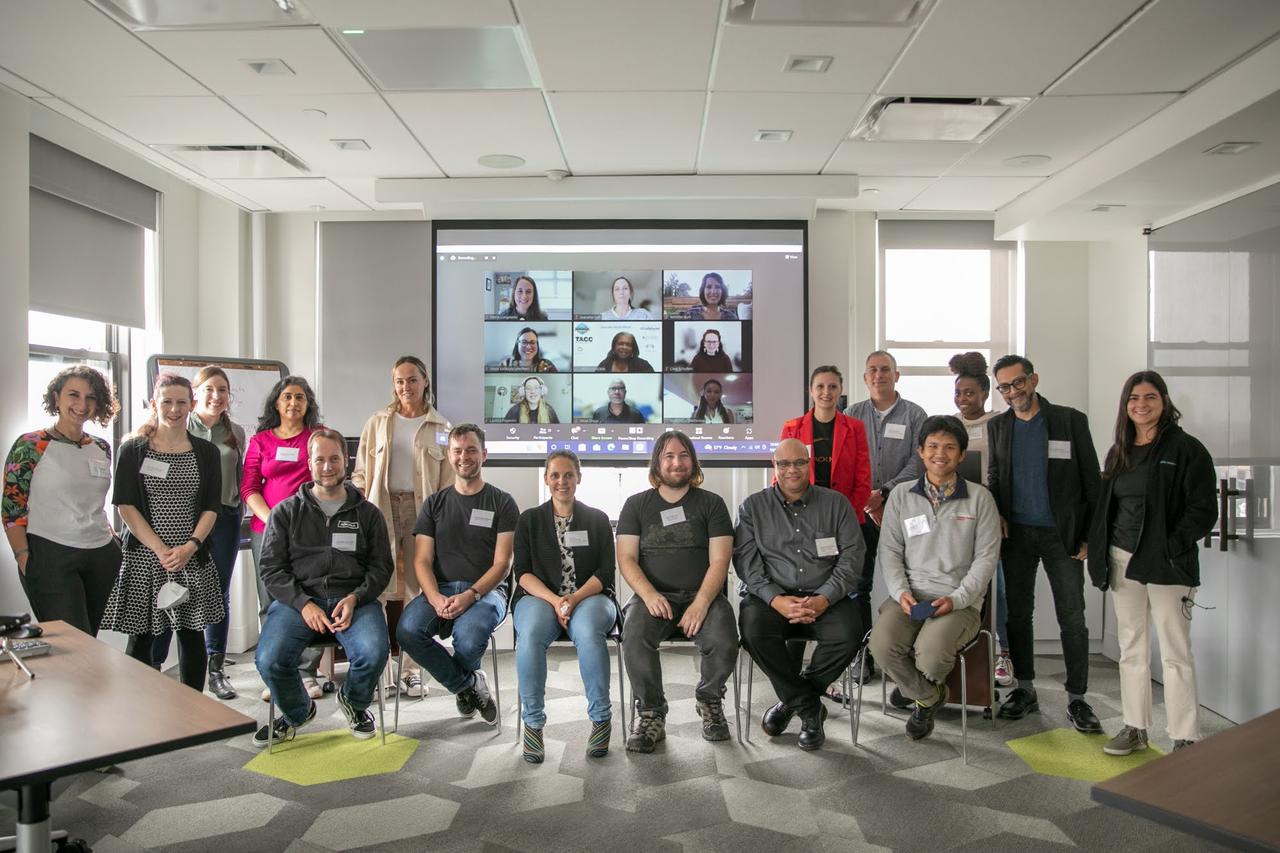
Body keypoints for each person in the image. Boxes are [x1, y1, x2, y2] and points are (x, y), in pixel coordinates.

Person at [1088, 371, 1216, 755]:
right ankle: (1135, 728)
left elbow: (1203, 510)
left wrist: (1170, 545)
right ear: (1125, 406)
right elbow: (1107, 509)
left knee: (1176, 651)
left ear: (1164, 402)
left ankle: (1185, 736)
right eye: (1133, 399)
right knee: (1132, 649)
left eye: (1149, 397)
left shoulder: (1187, 449)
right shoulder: (1120, 451)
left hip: (1166, 564)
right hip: (1122, 559)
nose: (1141, 405)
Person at [252, 428, 393, 747]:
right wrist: (303, 603)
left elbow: (382, 567)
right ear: (309, 462)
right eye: (320, 460)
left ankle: (355, 704)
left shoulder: (368, 514)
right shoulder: (285, 512)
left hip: (354, 601)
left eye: (334, 459)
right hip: (298, 603)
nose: (327, 466)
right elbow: (271, 570)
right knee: (269, 659)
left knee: (374, 653)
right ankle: (297, 711)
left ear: (346, 461)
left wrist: (357, 597)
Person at [987, 354, 1103, 732]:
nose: (1012, 392)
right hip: (1017, 534)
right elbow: (995, 474)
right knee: (1018, 614)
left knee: (1072, 616)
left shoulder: (1069, 420)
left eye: (1017, 383)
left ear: (1033, 380)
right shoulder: (998, 426)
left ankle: (1077, 698)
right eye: (1004, 387)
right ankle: (1024, 688)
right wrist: (999, 512)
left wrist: (1088, 536)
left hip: (1062, 535)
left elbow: (1092, 482)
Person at [869, 416, 1001, 740]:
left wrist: (956, 599)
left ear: (961, 454)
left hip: (959, 601)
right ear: (921, 451)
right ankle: (929, 697)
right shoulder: (900, 495)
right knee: (881, 646)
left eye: (949, 447)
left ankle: (914, 690)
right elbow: (889, 550)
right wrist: (900, 592)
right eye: (932, 446)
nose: (940, 454)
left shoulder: (981, 499)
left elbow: (986, 560)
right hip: (910, 596)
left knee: (930, 654)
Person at [735, 439, 865, 750]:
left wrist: (824, 598)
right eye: (784, 464)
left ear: (809, 464)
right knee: (752, 630)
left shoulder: (836, 504)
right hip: (773, 598)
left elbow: (852, 558)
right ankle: (809, 708)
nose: (792, 469)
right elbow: (747, 564)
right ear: (774, 467)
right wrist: (776, 599)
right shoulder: (753, 507)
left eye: (799, 463)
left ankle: (790, 702)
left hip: (825, 596)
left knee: (850, 632)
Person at [100, 374, 223, 691]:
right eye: (167, 401)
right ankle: (141, 711)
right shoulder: (133, 450)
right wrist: (160, 549)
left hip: (190, 557)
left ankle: (192, 710)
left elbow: (212, 507)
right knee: (141, 639)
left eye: (182, 402)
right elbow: (125, 506)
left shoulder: (207, 452)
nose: (174, 408)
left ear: (192, 405)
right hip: (145, 557)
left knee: (191, 637)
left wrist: (189, 547)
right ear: (154, 404)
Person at [618, 430, 737, 752]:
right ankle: (651, 712)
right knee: (634, 637)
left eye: (683, 455)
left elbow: (720, 561)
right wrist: (649, 595)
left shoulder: (712, 504)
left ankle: (709, 700)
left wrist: (700, 603)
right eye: (669, 456)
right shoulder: (636, 505)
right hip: (652, 597)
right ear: (658, 463)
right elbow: (626, 559)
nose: (677, 462)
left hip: (703, 596)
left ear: (693, 462)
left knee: (725, 638)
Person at [397, 424, 517, 726]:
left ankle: (464, 688)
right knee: (407, 631)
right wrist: (435, 597)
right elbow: (422, 560)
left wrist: (472, 595)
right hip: (441, 590)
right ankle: (468, 686)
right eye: (458, 451)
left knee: (469, 637)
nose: (465, 457)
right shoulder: (435, 503)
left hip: (488, 593)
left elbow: (503, 563)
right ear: (449, 457)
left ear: (484, 455)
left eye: (472, 450)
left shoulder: (502, 502)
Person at [351, 356, 454, 699]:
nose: (405, 387)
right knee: (378, 588)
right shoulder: (378, 421)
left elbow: (448, 481)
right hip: (380, 509)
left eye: (411, 380)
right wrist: (363, 502)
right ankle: (381, 669)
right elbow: (361, 470)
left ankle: (411, 671)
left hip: (421, 511)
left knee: (415, 589)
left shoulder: (441, 427)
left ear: (425, 381)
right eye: (399, 381)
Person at [512, 450, 618, 762]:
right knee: (529, 633)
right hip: (540, 598)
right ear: (546, 479)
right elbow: (524, 574)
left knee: (587, 631)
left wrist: (573, 599)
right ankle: (532, 723)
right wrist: (556, 600)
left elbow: (604, 572)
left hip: (591, 597)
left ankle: (601, 719)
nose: (562, 481)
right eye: (555, 475)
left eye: (568, 475)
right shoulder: (529, 520)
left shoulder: (596, 519)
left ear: (579, 478)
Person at [4, 365, 120, 636]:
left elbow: (94, 501)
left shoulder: (101, 447)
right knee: (71, 642)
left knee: (89, 639)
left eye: (91, 397)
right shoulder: (31, 445)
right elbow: (12, 508)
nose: (82, 404)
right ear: (56, 397)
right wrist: (24, 557)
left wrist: (113, 543)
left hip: (100, 554)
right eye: (73, 395)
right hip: (50, 555)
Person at [152, 366, 246, 700]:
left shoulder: (234, 431)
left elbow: (239, 477)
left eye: (222, 390)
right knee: (171, 587)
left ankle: (216, 670)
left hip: (224, 519)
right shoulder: (178, 426)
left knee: (216, 592)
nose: (216, 396)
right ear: (195, 394)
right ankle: (156, 666)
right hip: (183, 519)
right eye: (209, 389)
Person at [844, 350, 928, 681]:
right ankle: (861, 655)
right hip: (861, 513)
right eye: (872, 370)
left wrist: (886, 493)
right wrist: (867, 498)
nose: (879, 375)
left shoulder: (915, 415)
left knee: (911, 584)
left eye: (885, 370)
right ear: (865, 378)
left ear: (897, 375)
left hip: (902, 511)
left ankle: (906, 656)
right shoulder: (852, 414)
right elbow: (847, 460)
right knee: (857, 586)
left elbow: (919, 460)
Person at [242, 375, 324, 699]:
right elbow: (248, 487)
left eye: (300, 397)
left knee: (310, 597)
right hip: (267, 531)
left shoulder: (316, 437)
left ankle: (307, 672)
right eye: (287, 397)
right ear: (277, 402)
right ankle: (276, 672)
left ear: (308, 404)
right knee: (271, 601)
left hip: (310, 531)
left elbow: (327, 477)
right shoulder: (261, 441)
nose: (293, 403)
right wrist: (275, 519)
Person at [950, 351, 1014, 689]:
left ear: (986, 394)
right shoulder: (949, 426)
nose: (963, 399)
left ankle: (1002, 653)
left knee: (997, 588)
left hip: (990, 518)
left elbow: (1005, 472)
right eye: (958, 393)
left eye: (970, 392)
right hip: (956, 519)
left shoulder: (999, 423)